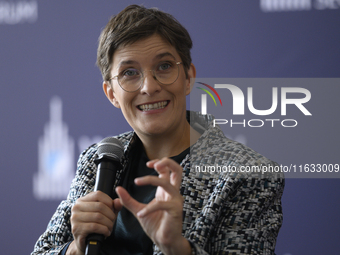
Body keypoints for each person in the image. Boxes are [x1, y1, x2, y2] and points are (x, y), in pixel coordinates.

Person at [31, 5, 284, 255]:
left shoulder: (248, 173)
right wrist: (75, 248)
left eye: (164, 66)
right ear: (111, 94)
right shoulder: (98, 159)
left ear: (188, 78)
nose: (149, 87)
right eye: (130, 73)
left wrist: (177, 248)